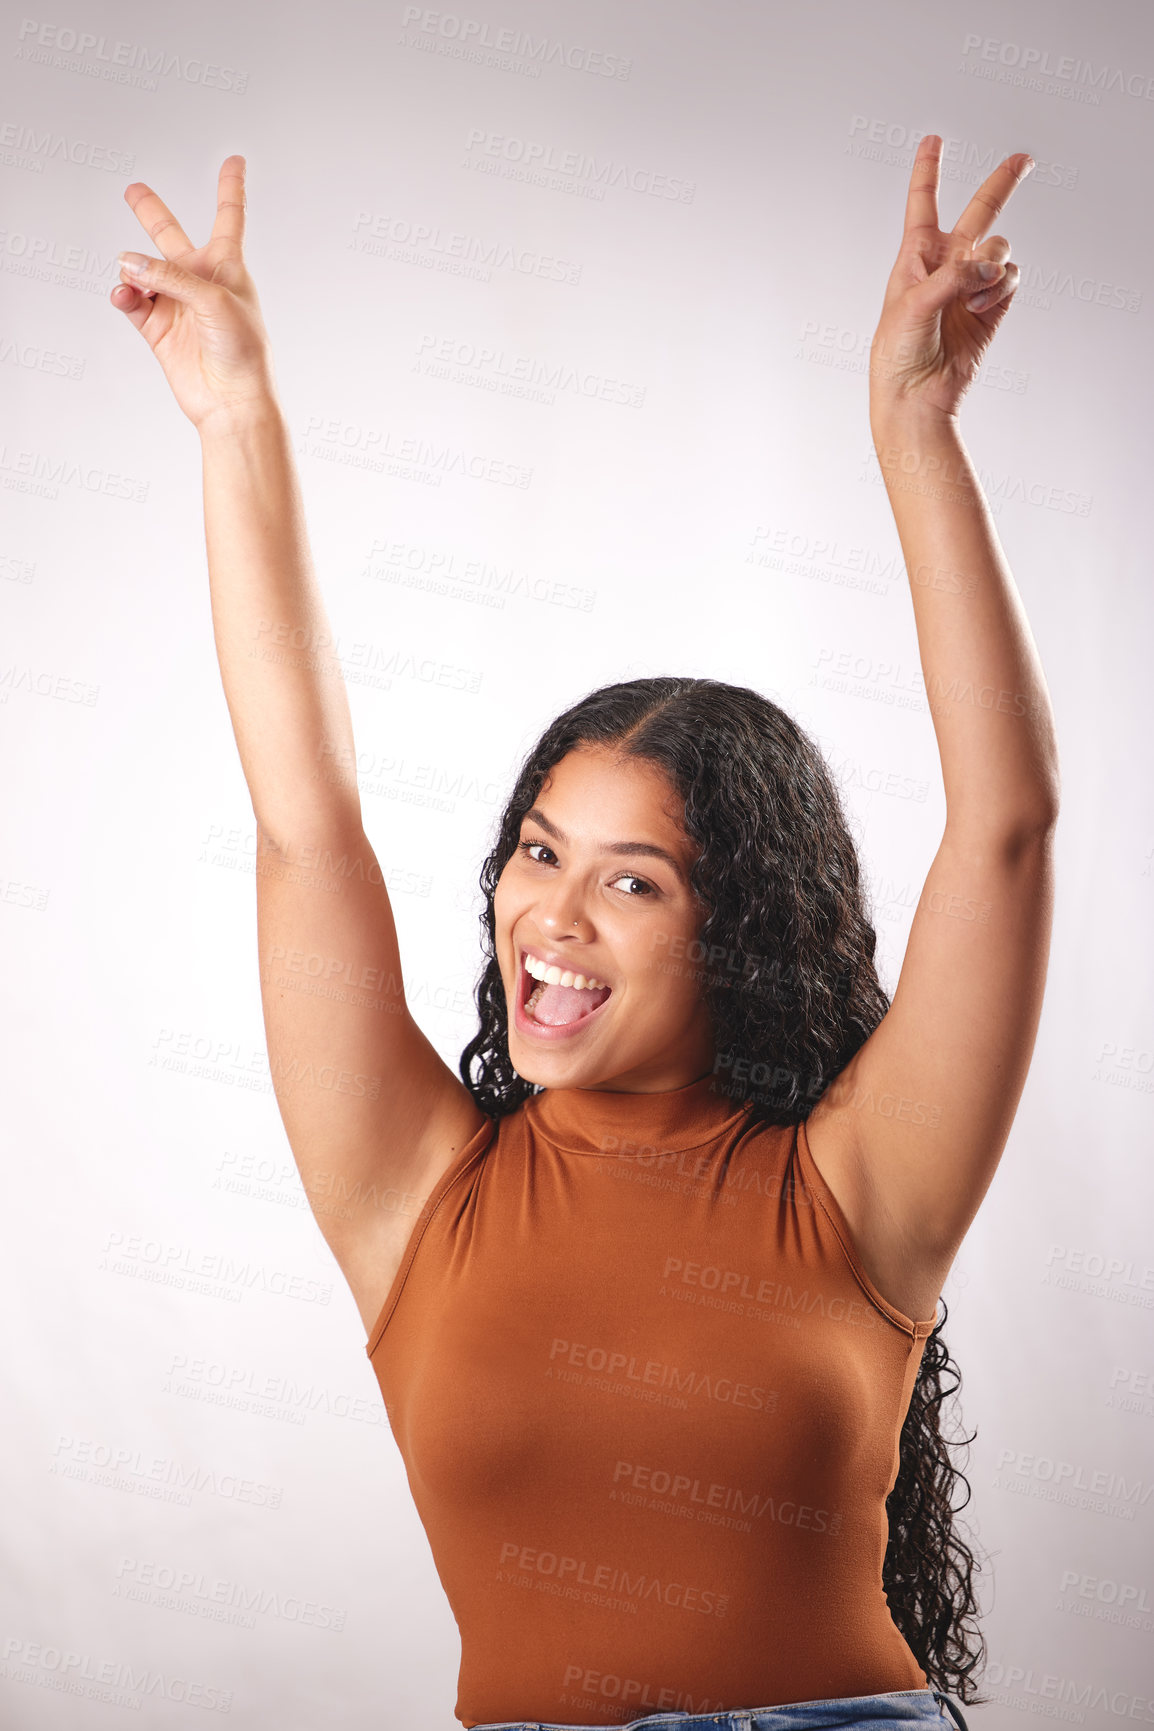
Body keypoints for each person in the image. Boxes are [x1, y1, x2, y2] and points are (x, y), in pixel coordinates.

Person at [110, 134, 1058, 1731]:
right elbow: (305, 823)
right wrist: (233, 417)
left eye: (634, 880)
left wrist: (910, 424)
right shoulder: (418, 1189)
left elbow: (1008, 828)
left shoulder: (855, 1187)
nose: (550, 914)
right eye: (539, 853)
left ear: (737, 930)